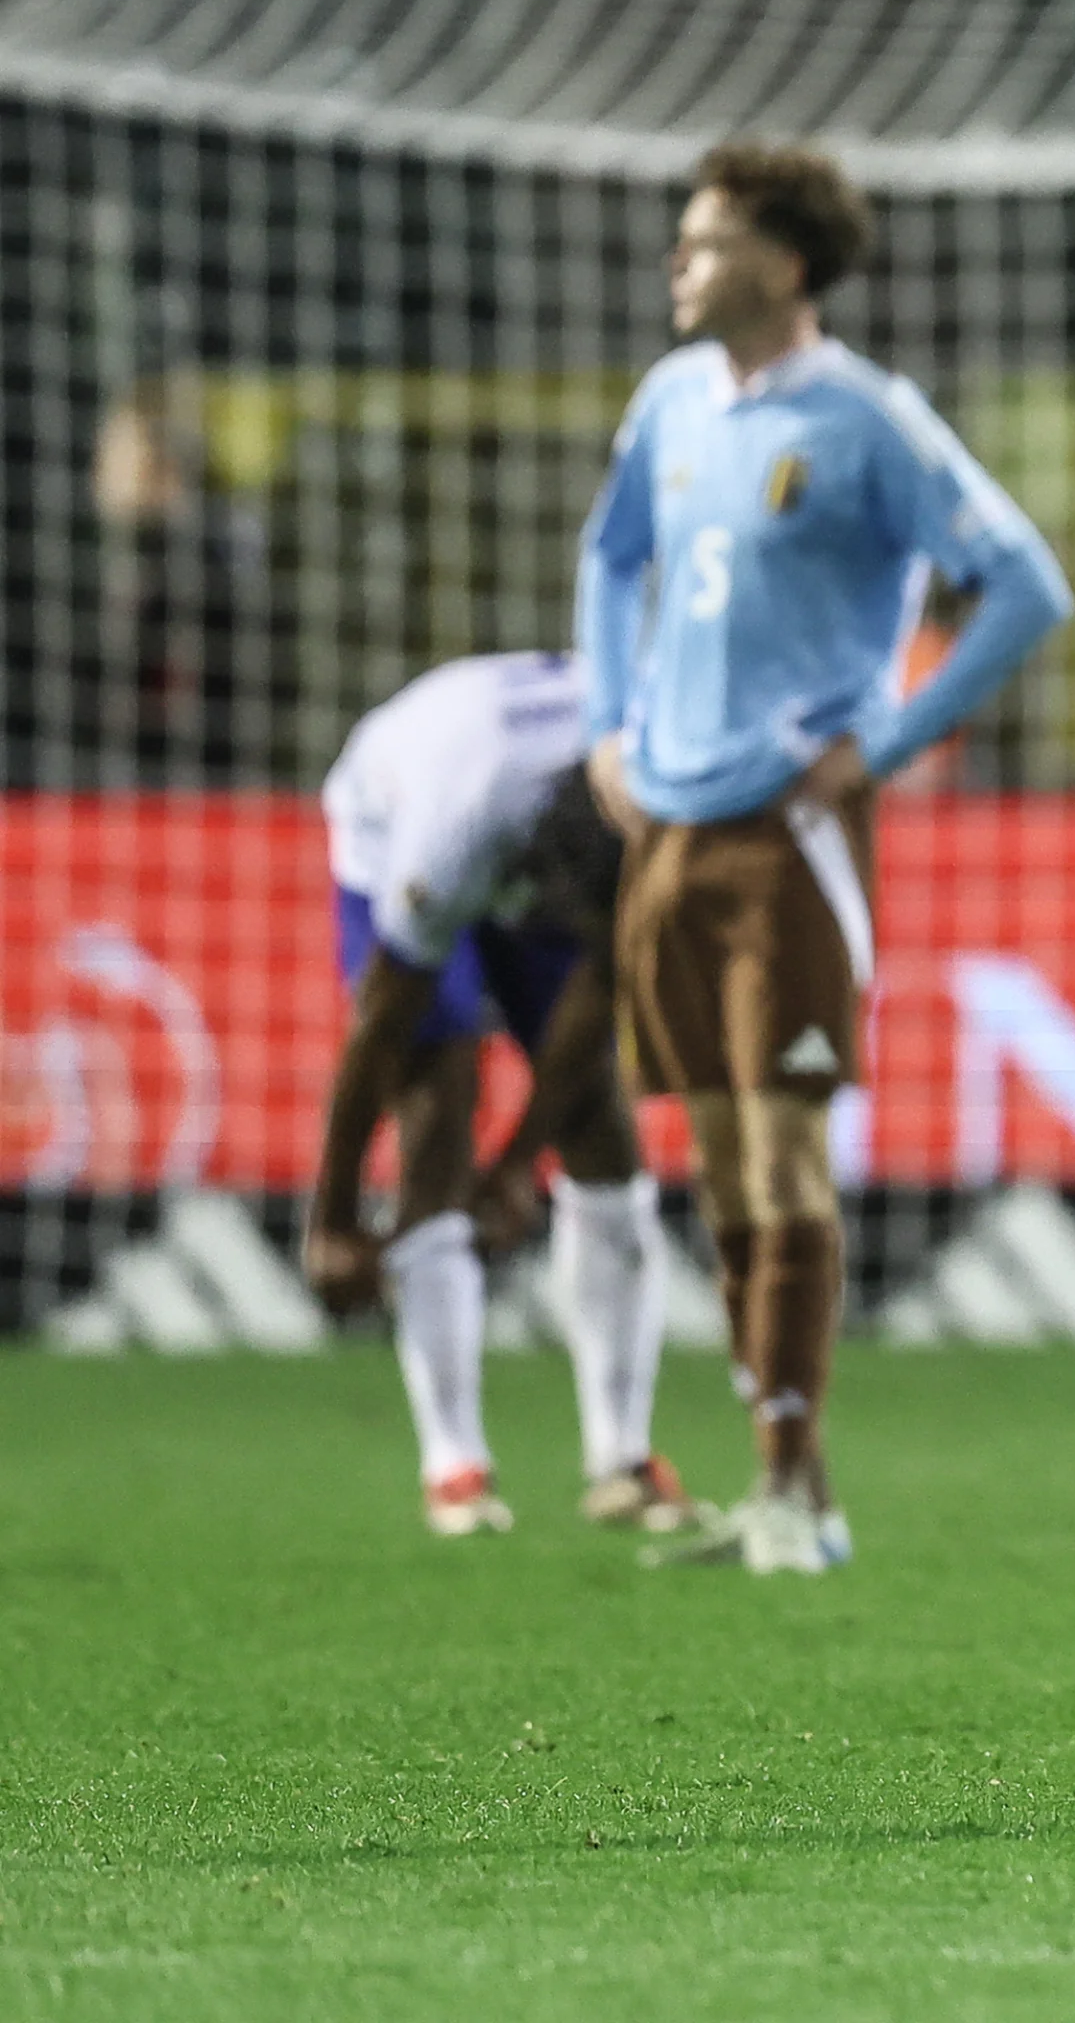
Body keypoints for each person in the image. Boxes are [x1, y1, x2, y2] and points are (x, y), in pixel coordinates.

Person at [577, 142, 1074, 1576]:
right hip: (663, 822)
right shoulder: (671, 402)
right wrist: (609, 725)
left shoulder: (869, 421)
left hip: (789, 831)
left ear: (785, 266)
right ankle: (784, 1488)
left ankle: (794, 1488)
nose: (679, 264)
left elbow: (1026, 587)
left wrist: (892, 737)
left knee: (789, 1151)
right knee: (724, 1161)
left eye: (706, 242)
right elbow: (611, 557)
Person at [307, 653, 684, 1539]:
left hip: (548, 807)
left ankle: (622, 1462)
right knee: (435, 1103)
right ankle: (456, 1468)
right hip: (386, 814)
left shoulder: (665, 792)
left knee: (599, 1123)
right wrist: (329, 1218)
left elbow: (604, 987)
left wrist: (518, 1166)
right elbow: (379, 1030)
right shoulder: (450, 833)